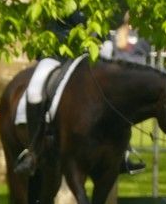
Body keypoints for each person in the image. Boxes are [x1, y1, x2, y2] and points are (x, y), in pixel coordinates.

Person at [14, 9, 144, 177]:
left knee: (114, 90)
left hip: (91, 54)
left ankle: (122, 153)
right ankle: (33, 153)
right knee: (34, 92)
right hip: (56, 53)